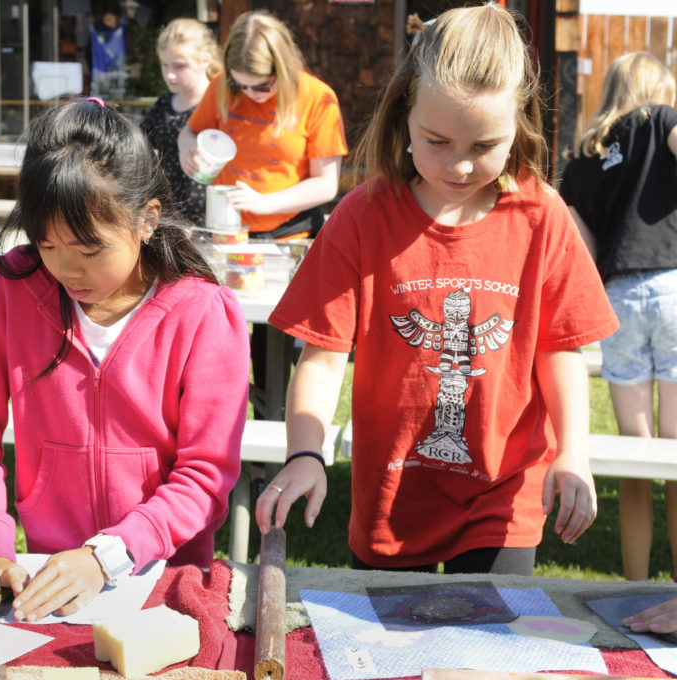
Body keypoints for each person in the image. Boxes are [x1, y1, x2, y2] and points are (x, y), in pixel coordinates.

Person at [254, 4, 619, 575]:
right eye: (438, 140)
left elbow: (559, 349)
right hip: (393, 499)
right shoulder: (362, 216)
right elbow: (322, 360)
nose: (462, 166)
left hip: (503, 494)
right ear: (404, 115)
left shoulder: (542, 216)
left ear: (518, 124)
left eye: (484, 145)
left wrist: (574, 452)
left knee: (489, 656)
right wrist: (306, 453)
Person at [0, 99, 250, 622]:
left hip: (167, 579)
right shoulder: (4, 290)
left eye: (89, 250)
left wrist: (108, 555)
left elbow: (204, 473)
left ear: (147, 218)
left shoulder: (202, 311)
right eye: (46, 245)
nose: (66, 270)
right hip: (46, 572)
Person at [559, 52, 677, 582]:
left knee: (636, 456)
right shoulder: (664, 120)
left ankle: (634, 586)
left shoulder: (585, 154)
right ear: (660, 87)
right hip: (675, 288)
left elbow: (578, 250)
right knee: (676, 456)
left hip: (619, 298)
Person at [177, 9, 347, 241]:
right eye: (239, 84)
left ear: (284, 70)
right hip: (227, 227)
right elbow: (190, 131)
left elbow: (326, 184)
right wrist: (186, 146)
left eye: (262, 86)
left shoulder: (317, 97)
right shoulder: (220, 86)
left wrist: (267, 203)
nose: (250, 94)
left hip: (291, 232)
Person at [140, 18, 221, 225]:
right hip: (171, 212)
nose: (170, 74)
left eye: (179, 66)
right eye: (165, 65)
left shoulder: (220, 103)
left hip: (215, 213)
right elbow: (139, 146)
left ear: (205, 60)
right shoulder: (165, 103)